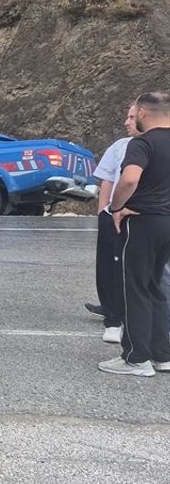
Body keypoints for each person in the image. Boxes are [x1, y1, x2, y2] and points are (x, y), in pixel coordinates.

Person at [103, 91, 170, 377]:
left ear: (142, 112)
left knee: (136, 288)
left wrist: (116, 207)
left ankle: (136, 358)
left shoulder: (141, 143)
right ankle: (161, 355)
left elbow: (130, 178)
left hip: (143, 222)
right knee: (155, 285)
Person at [88, 102, 140, 343]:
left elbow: (130, 181)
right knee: (110, 267)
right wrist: (104, 213)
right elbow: (108, 180)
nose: (126, 122)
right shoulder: (119, 146)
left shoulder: (156, 145)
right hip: (114, 215)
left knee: (147, 271)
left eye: (131, 117)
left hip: (146, 216)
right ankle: (113, 318)